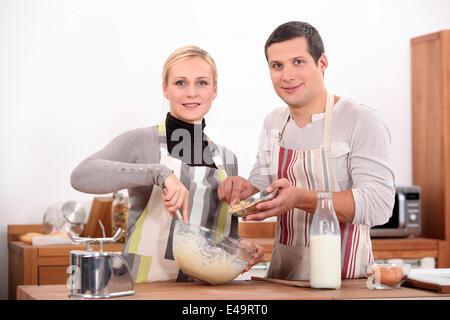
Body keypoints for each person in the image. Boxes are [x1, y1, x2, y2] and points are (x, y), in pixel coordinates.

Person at [71, 45, 264, 283]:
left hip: (204, 292)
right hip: (145, 286)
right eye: (180, 83)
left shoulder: (227, 159)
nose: (191, 92)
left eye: (202, 83)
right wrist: (159, 174)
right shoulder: (141, 142)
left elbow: (227, 237)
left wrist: (242, 248)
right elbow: (81, 175)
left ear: (215, 90)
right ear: (165, 89)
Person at [218, 21, 395, 280]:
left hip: (345, 282)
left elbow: (378, 205)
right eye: (277, 65)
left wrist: (300, 198)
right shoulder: (273, 122)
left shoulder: (360, 120)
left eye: (298, 62)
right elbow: (262, 184)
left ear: (322, 63)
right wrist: (246, 190)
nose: (287, 76)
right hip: (283, 279)